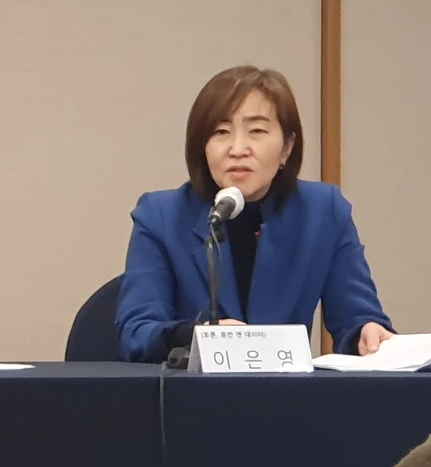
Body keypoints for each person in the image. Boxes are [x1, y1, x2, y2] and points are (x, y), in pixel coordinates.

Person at [116, 65, 393, 363]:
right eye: (221, 132)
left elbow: (357, 317)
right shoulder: (161, 216)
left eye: (257, 131)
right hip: (192, 390)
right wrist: (198, 335)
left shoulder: (323, 212)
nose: (238, 149)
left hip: (285, 390)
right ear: (202, 147)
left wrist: (368, 332)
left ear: (287, 148)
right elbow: (137, 332)